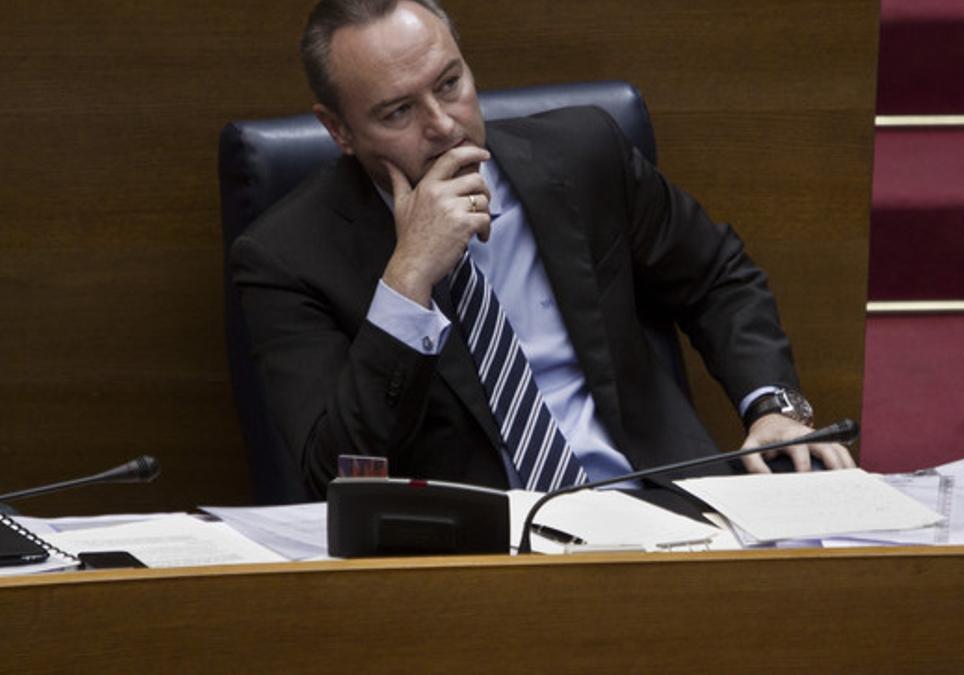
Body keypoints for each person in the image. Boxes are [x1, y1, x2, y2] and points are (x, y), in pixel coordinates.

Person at [231, 0, 854, 497]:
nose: (443, 124)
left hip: (663, 506)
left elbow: (717, 276)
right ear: (337, 129)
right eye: (397, 112)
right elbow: (336, 470)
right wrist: (408, 280)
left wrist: (774, 405)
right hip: (479, 557)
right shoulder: (287, 256)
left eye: (450, 84)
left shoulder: (583, 155)